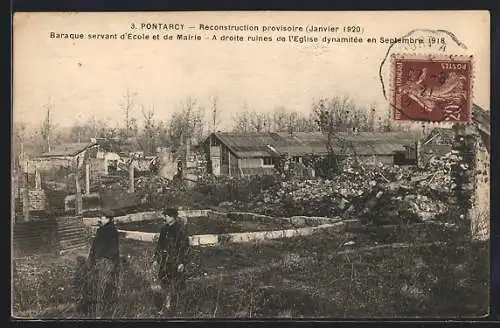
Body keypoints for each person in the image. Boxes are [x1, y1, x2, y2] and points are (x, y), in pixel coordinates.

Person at [153, 207, 190, 314]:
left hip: (176, 261)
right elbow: (159, 245)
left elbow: (184, 248)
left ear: (173, 217)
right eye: (165, 216)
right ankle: (166, 305)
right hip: (165, 261)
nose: (165, 218)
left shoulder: (180, 230)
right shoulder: (164, 229)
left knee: (177, 284)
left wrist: (182, 262)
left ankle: (177, 307)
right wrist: (156, 259)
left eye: (167, 216)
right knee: (164, 282)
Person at [88, 209, 120, 318]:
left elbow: (113, 250)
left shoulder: (111, 231)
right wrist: (92, 258)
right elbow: (95, 246)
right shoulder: (101, 230)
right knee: (100, 287)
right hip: (100, 262)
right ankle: (102, 312)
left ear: (108, 219)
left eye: (102, 217)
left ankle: (100, 315)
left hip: (105, 262)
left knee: (102, 288)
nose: (100, 219)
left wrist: (106, 261)